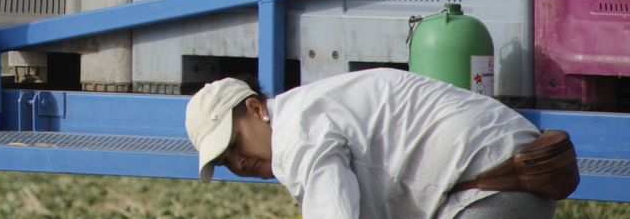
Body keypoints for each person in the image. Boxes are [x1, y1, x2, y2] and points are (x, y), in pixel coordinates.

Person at [188, 69, 560, 218]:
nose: (238, 162)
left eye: (235, 143)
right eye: (226, 160)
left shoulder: (296, 134)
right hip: (506, 174)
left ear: (255, 109)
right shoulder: (305, 111)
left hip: (491, 185)